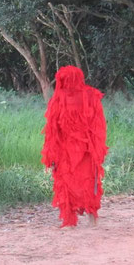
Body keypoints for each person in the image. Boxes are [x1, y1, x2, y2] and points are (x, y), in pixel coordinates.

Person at [41, 65, 108, 227]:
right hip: (85, 149)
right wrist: (96, 148)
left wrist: (51, 154)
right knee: (88, 180)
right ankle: (92, 218)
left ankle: (69, 220)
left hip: (66, 150)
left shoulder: (57, 99)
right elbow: (99, 125)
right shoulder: (91, 96)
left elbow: (52, 130)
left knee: (66, 181)